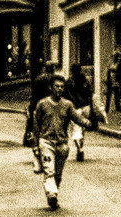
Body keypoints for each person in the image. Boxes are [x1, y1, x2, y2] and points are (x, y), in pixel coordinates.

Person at [30, 74, 98, 210]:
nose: (59, 89)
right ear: (51, 88)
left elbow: (77, 118)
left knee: (58, 173)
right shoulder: (42, 104)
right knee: (49, 170)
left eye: (62, 87)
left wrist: (88, 122)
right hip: (46, 142)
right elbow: (36, 125)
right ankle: (51, 194)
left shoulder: (67, 105)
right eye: (57, 86)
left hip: (62, 144)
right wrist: (35, 144)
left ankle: (54, 192)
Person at [66, 63, 96, 162]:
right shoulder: (85, 81)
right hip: (86, 107)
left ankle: (79, 149)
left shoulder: (69, 82)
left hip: (75, 108)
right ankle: (81, 146)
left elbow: (66, 96)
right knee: (82, 129)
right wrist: (91, 107)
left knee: (76, 129)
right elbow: (90, 94)